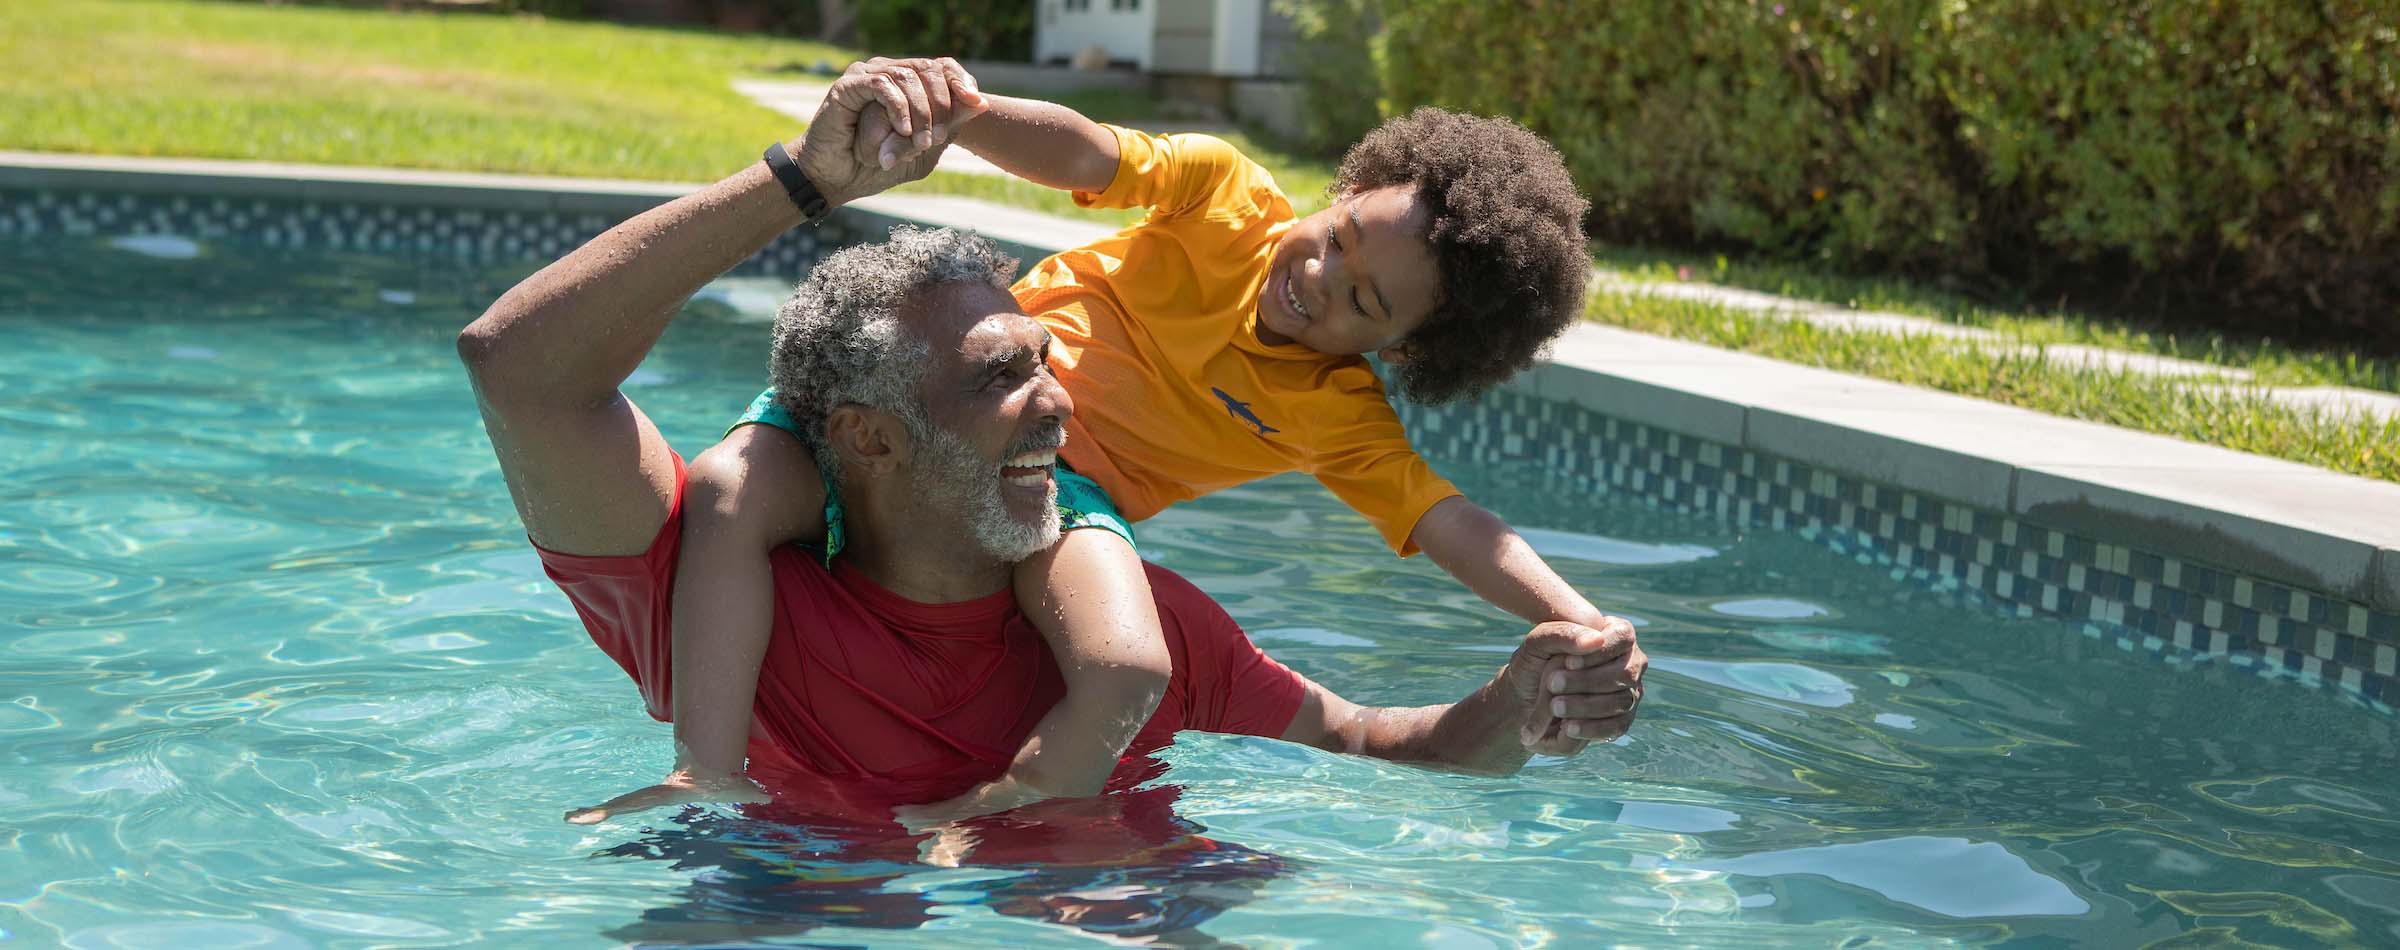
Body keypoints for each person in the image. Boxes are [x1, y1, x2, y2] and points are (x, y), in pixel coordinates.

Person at [453, 59, 1646, 829]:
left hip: (1069, 505)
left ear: (1402, 351)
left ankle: (993, 813)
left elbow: (1448, 534)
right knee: (723, 483)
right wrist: (966, 119)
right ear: (1346, 188)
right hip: (926, 470)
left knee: (1126, 665)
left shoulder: (1335, 420)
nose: (1319, 277)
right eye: (1338, 236)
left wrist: (1572, 628)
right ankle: (701, 766)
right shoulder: (1229, 199)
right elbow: (1089, 153)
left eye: (1364, 303)